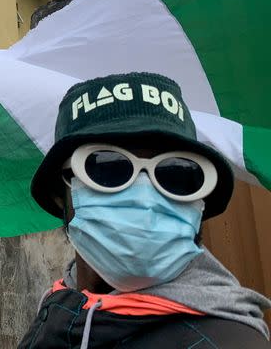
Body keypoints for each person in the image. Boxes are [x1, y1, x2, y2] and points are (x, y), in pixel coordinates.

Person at [18, 72, 270, 348]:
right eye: (107, 167)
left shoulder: (228, 342)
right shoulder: (59, 310)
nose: (146, 200)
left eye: (175, 174)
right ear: (60, 196)